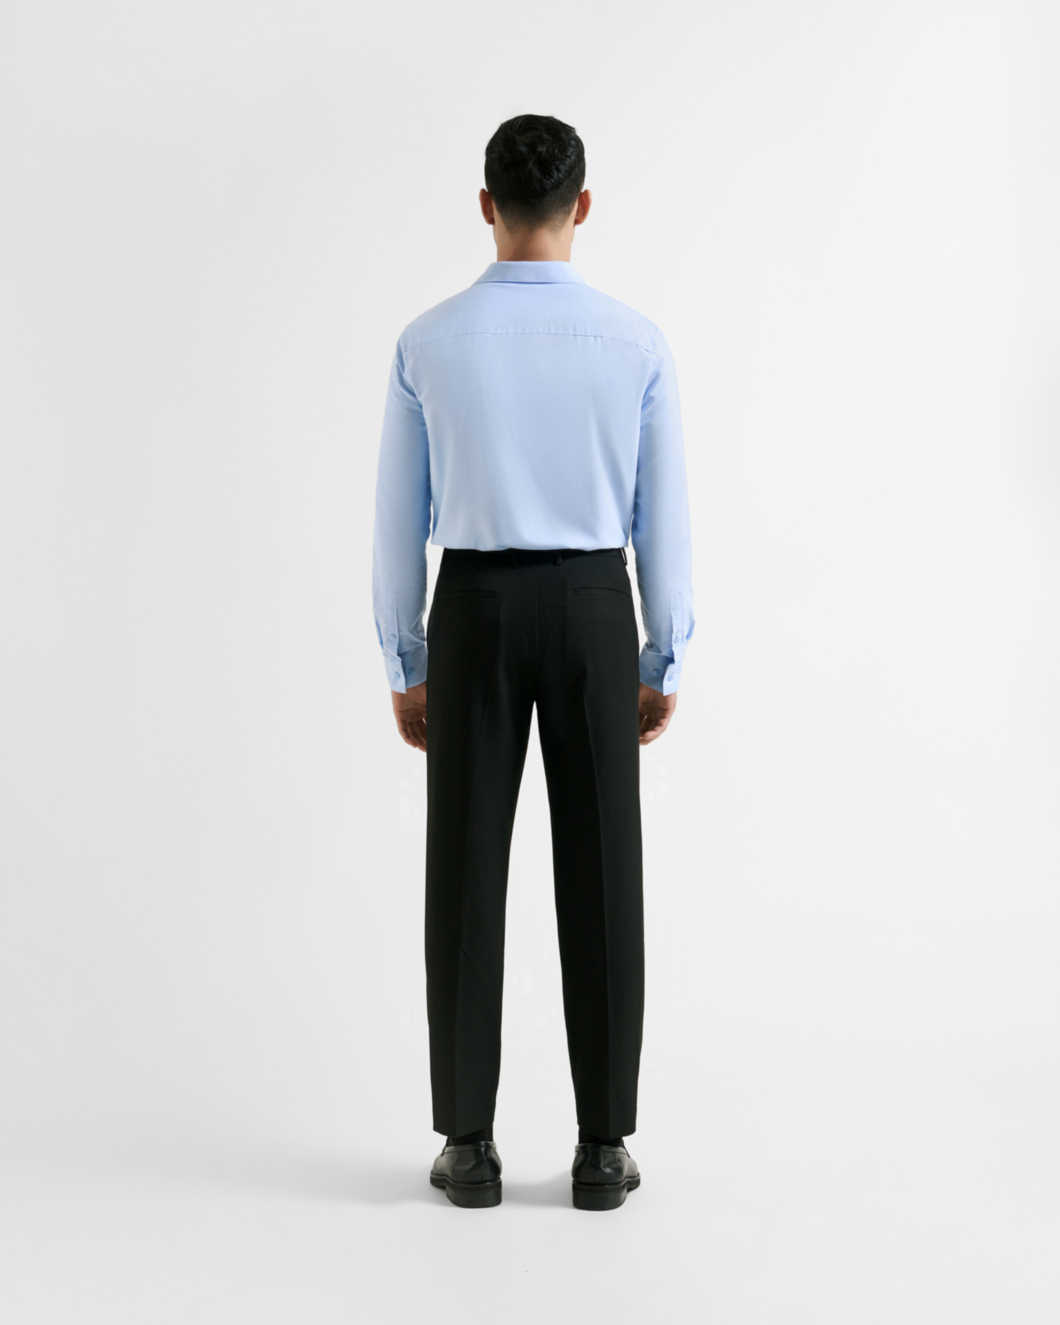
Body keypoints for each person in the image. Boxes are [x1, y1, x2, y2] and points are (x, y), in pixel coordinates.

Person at [371, 113, 694, 1211]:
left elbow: (397, 521)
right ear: (582, 205)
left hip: (474, 607)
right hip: (597, 604)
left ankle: (468, 1145)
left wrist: (405, 658)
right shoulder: (635, 343)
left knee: (464, 867)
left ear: (485, 206)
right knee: (604, 866)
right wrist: (662, 654)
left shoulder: (428, 342)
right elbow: (663, 519)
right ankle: (602, 1147)